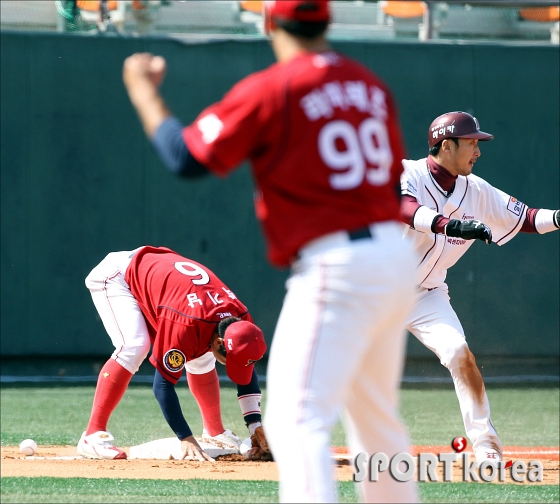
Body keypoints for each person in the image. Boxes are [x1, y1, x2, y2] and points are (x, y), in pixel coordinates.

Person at [122, 1, 419, 501]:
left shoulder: (273, 87)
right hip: (395, 257)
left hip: (335, 261)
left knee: (295, 421)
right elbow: (391, 186)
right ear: (327, 20)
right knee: (377, 421)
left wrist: (143, 91)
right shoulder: (369, 85)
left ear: (269, 23)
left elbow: (185, 157)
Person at [400, 111, 560, 464]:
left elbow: (527, 218)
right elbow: (404, 207)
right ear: (446, 145)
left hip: (426, 295)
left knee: (460, 353)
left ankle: (486, 446)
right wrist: (449, 225)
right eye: (472, 142)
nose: (478, 150)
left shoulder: (476, 190)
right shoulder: (407, 172)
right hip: (377, 290)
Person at [77, 245, 270, 462]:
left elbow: (246, 364)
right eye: (230, 359)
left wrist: (255, 426)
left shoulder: (240, 319)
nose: (231, 365)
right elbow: (162, 386)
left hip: (161, 278)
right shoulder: (185, 324)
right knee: (135, 345)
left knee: (202, 354)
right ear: (219, 342)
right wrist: (185, 437)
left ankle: (215, 432)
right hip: (118, 276)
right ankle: (92, 436)